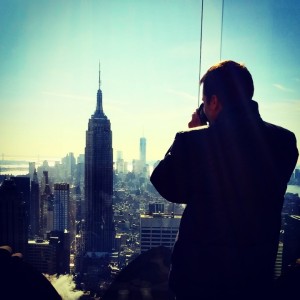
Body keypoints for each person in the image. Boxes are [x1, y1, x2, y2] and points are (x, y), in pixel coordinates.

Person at [150, 60, 299, 300]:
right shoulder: (285, 142)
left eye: (204, 101)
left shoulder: (193, 142)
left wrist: (195, 130)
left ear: (214, 101)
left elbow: (164, 183)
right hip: (254, 278)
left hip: (199, 280)